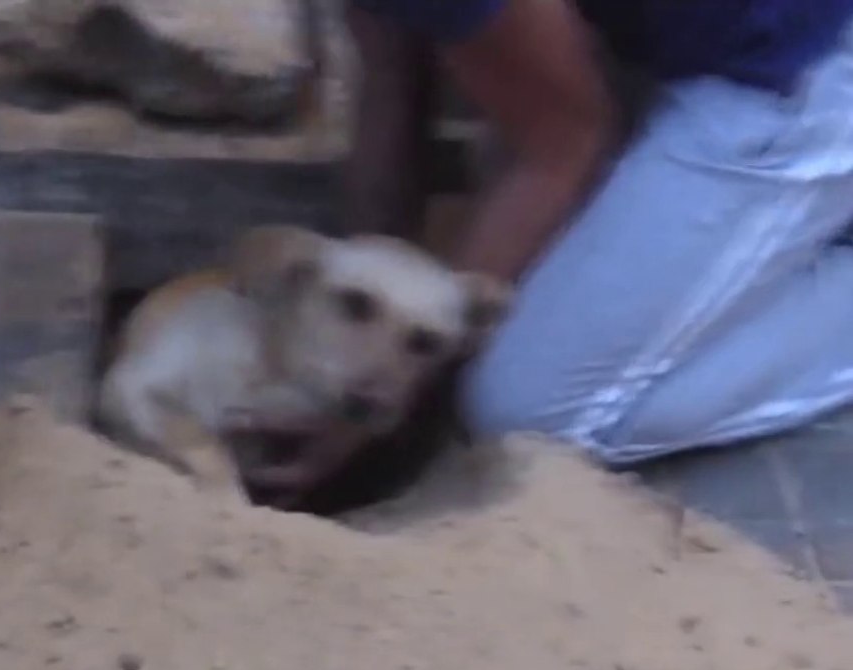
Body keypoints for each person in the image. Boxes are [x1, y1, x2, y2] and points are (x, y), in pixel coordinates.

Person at [245, 0, 853, 502]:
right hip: (692, 45)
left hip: (803, 67)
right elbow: (392, 82)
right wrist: (364, 281)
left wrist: (380, 399)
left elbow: (564, 140)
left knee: (533, 411)